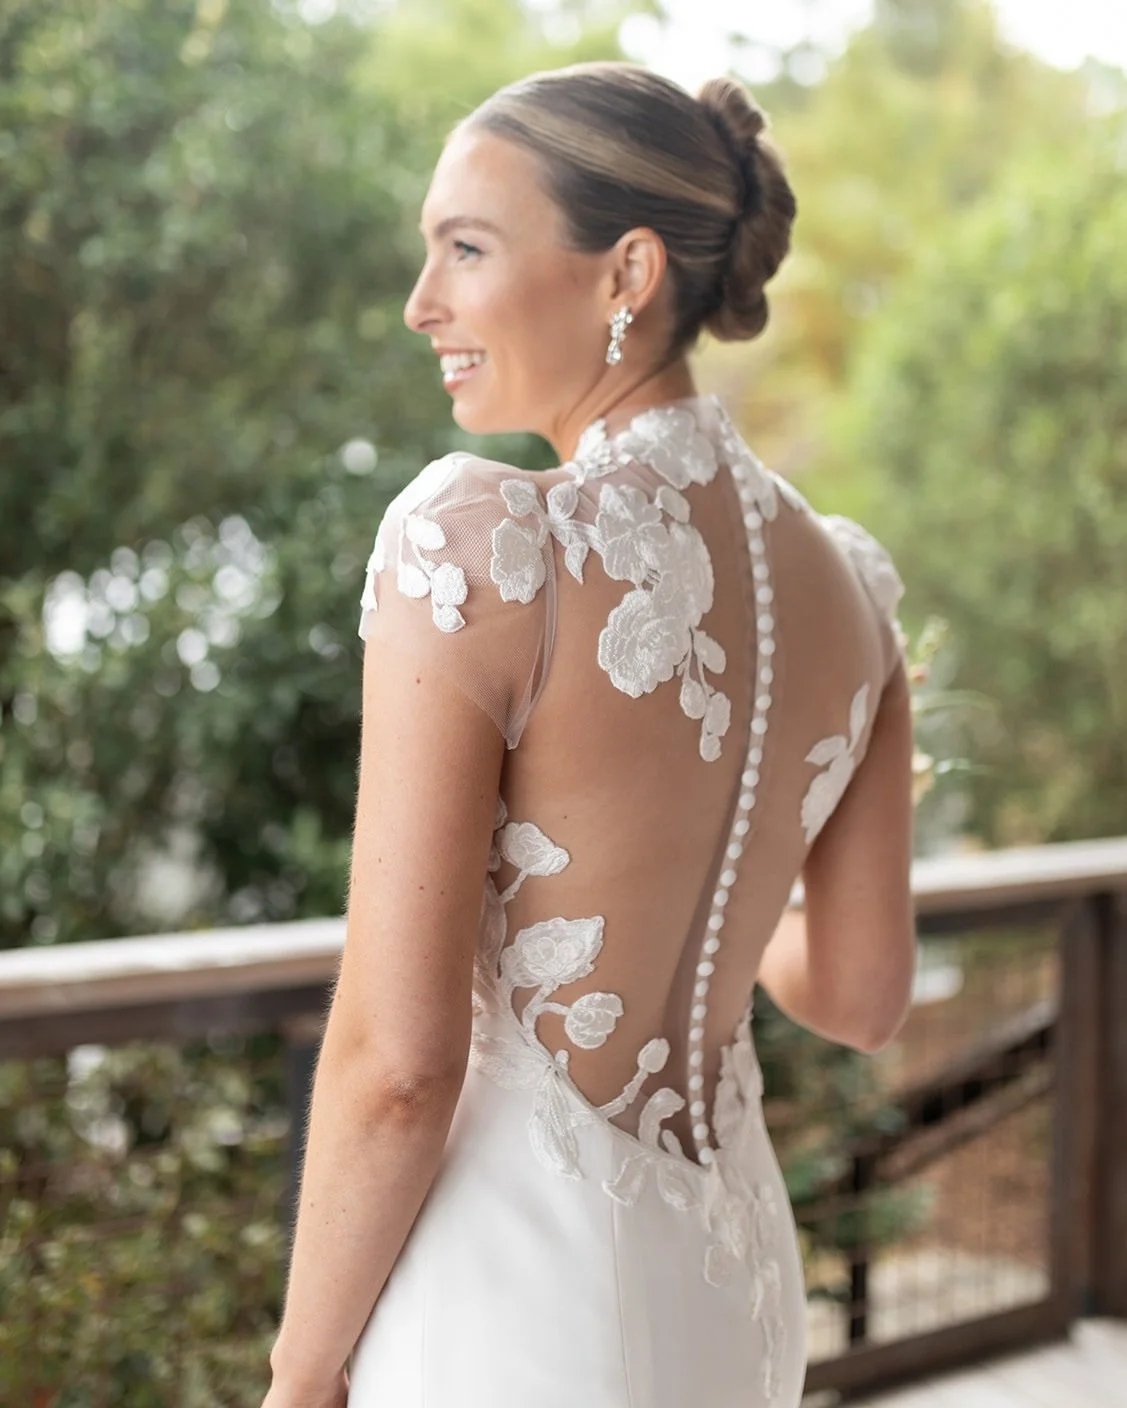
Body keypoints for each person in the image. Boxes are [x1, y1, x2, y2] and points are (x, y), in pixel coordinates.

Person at [262, 60, 915, 1408]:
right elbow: (860, 995)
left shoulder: (486, 546)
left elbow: (398, 1063)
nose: (418, 304)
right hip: (727, 1291)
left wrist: (298, 1375)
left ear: (624, 276)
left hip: (506, 1301)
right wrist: (705, 895)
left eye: (465, 248)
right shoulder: (850, 585)